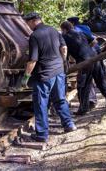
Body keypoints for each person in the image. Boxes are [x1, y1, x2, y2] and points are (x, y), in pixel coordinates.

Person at [21, 12, 76, 142]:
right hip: (59, 72)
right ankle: (69, 125)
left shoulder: (34, 36)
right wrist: (63, 61)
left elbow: (33, 60)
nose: (27, 25)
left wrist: (26, 77)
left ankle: (42, 135)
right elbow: (64, 48)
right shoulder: (54, 30)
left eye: (27, 23)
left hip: (44, 75)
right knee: (60, 99)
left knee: (41, 104)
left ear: (33, 21)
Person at [60, 21, 106, 115]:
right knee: (100, 80)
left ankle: (83, 109)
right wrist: (86, 50)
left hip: (84, 62)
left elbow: (64, 50)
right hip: (94, 56)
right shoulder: (80, 33)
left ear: (64, 29)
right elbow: (94, 41)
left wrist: (66, 61)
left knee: (83, 85)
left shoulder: (65, 37)